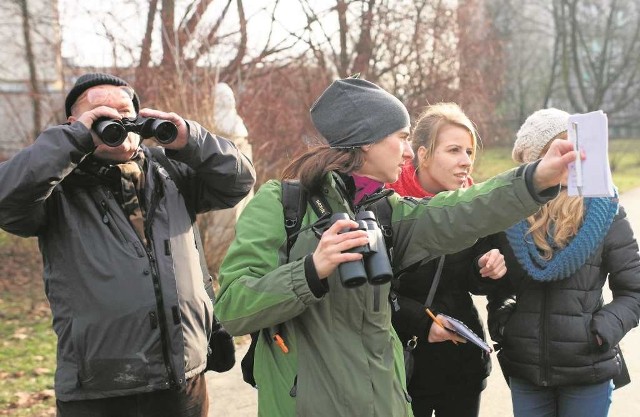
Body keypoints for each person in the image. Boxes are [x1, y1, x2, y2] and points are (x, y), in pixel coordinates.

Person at [214, 77, 577, 417]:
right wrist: (311, 270)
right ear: (366, 141)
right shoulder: (282, 204)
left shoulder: (386, 210)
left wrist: (536, 179)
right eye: (401, 138)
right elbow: (232, 308)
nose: (408, 152)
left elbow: (462, 211)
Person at [0, 72, 256, 417]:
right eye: (102, 113)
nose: (118, 120)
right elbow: (7, 201)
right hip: (99, 388)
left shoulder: (171, 172)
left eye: (124, 111)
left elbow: (238, 181)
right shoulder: (55, 188)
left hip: (183, 378)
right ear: (74, 124)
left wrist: (189, 138)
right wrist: (74, 142)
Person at [487, 108, 640, 417]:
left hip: (588, 369)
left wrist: (601, 331)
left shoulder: (604, 213)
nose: (570, 159)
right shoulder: (510, 215)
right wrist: (504, 324)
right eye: (559, 150)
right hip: (526, 370)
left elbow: (634, 290)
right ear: (535, 160)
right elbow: (494, 285)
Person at [387, 103, 506, 417]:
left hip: (461, 362)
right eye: (454, 150)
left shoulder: (474, 204)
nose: (465, 161)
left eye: (469, 151)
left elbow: (473, 284)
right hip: (402, 363)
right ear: (423, 154)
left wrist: (486, 268)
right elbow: (373, 292)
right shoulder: (388, 204)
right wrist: (423, 323)